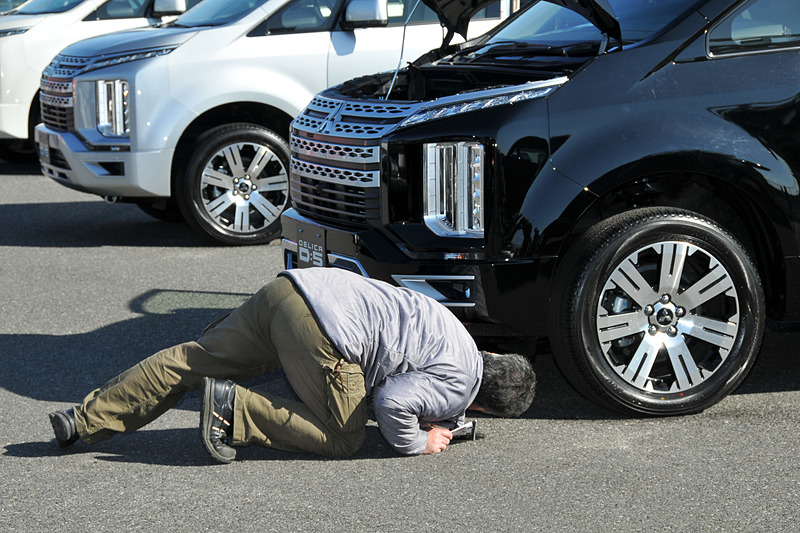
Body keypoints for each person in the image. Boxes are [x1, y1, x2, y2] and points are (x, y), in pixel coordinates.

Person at [48, 268, 536, 462]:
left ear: (493, 356)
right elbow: (392, 401)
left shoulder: (458, 332)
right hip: (323, 332)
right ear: (483, 407)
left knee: (191, 360)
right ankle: (232, 408)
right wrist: (419, 440)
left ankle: (83, 420)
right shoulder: (460, 385)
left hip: (291, 289)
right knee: (345, 437)